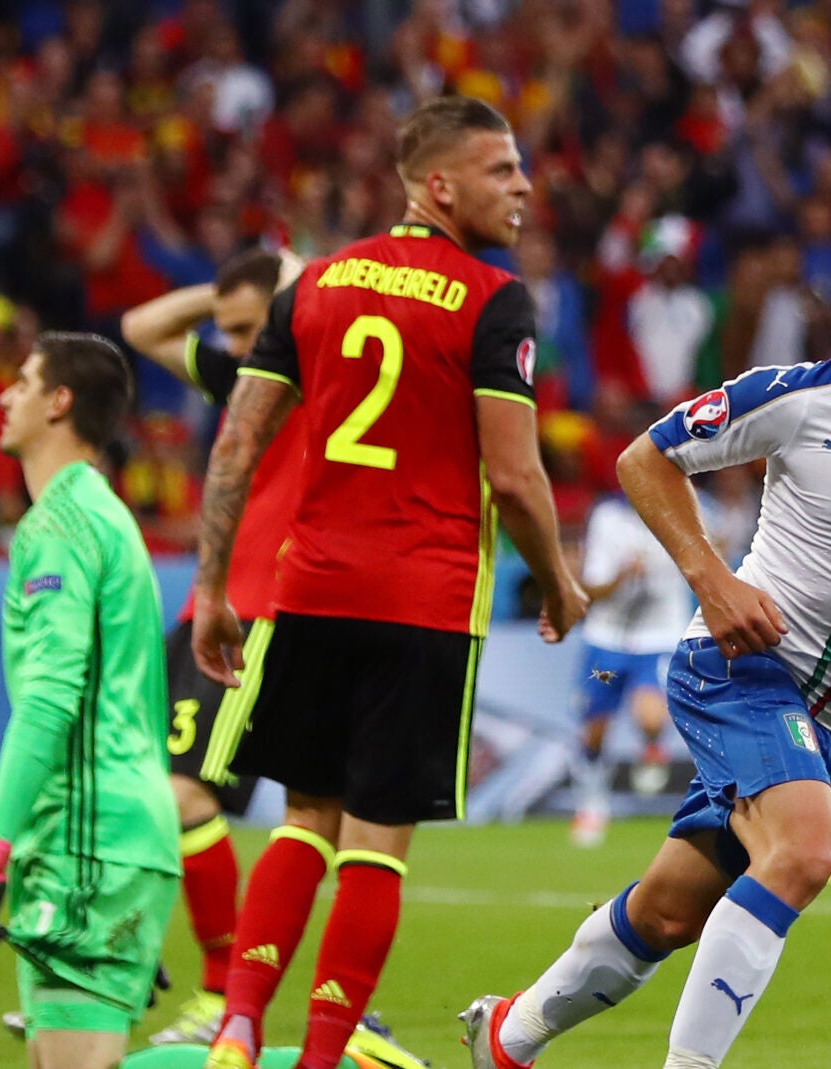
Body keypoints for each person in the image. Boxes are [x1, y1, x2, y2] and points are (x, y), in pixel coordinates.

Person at [462, 204, 831, 1069]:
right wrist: (714, 580)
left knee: (669, 912)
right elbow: (646, 458)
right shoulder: (803, 397)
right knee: (803, 853)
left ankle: (507, 1036)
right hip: (743, 667)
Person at [190, 95, 589, 1069]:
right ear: (438, 185)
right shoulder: (494, 299)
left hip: (312, 590)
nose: (525, 186)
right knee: (376, 838)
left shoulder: (315, 284)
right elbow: (515, 474)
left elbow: (237, 440)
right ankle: (323, 1054)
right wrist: (560, 582)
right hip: (423, 600)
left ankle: (237, 1027)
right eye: (502, 171)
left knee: (301, 818)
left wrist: (210, 587)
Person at [0, 332, 181, 1069]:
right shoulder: (102, 514)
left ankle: (322, 1060)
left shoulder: (60, 528)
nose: (4, 395)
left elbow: (50, 700)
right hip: (101, 833)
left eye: (22, 380)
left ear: (60, 401)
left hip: (89, 837)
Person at [117, 247, 301, 1045]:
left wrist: (286, 294)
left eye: (243, 329)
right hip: (205, 611)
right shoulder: (239, 377)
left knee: (187, 798)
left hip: (260, 619)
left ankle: (222, 1000)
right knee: (149, 794)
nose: (228, 345)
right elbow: (138, 326)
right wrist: (227, 298)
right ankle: (126, 974)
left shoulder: (314, 378)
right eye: (223, 331)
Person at [568, 492, 690, 848]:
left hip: (658, 636)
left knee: (651, 716)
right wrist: (622, 575)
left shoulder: (682, 507)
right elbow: (593, 588)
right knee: (593, 732)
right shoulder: (608, 519)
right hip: (607, 639)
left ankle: (652, 748)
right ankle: (591, 804)